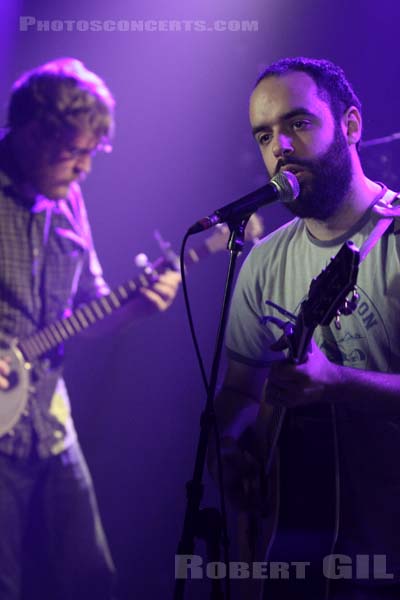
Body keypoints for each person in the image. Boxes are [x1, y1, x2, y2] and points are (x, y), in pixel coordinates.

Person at [211, 57, 400, 600]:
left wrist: (339, 383)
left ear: (351, 125)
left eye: (298, 123)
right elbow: (238, 392)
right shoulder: (264, 262)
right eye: (264, 135)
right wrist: (229, 454)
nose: (280, 148)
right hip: (310, 537)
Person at [0, 58, 180, 600]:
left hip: (51, 421)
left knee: (92, 579)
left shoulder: (70, 200)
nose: (83, 169)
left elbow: (87, 312)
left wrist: (137, 309)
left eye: (90, 155)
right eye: (72, 152)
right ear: (31, 134)